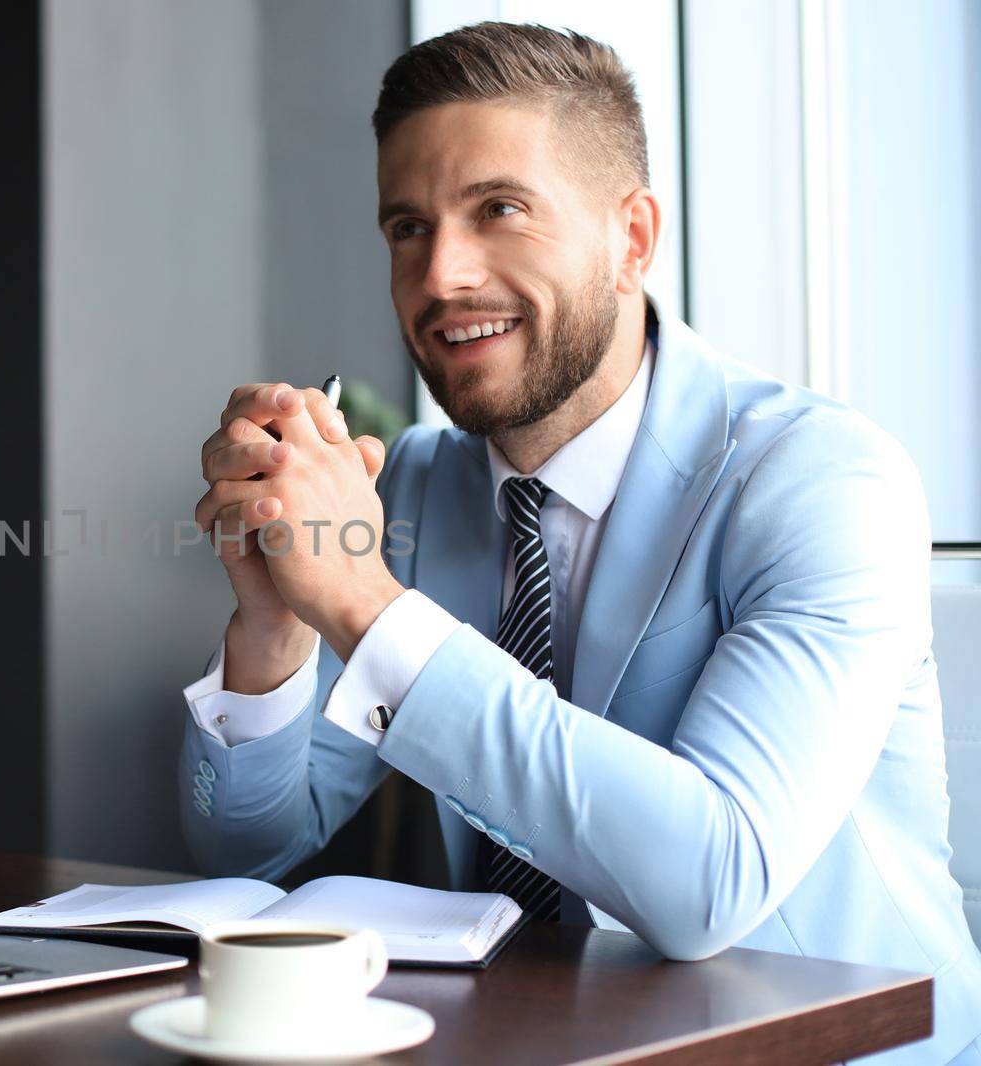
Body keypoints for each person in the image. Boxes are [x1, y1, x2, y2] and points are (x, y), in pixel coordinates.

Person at [179, 22, 980, 1063]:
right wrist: (276, 618)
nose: (441, 274)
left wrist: (366, 606)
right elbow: (249, 843)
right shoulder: (416, 483)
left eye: (497, 210)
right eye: (407, 228)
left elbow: (709, 882)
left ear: (631, 239)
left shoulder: (825, 480)